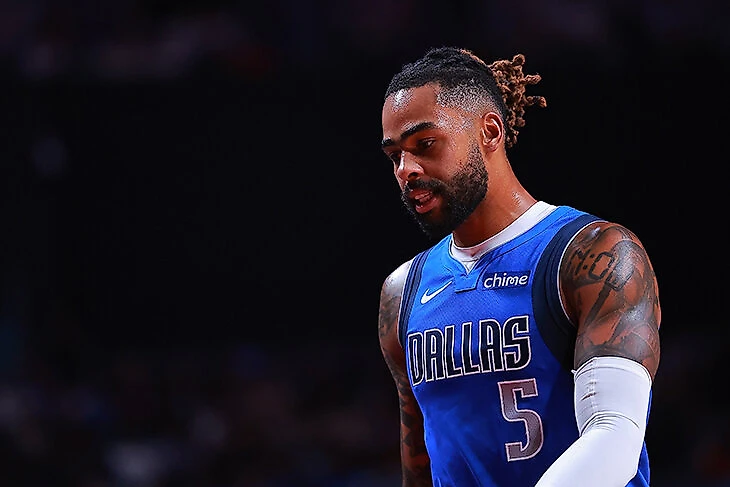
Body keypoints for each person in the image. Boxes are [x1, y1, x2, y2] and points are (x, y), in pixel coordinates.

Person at [377, 46, 661, 487]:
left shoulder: (592, 255)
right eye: (394, 155)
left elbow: (613, 437)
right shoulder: (401, 293)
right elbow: (420, 470)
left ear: (489, 131)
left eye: (425, 145)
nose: (406, 169)